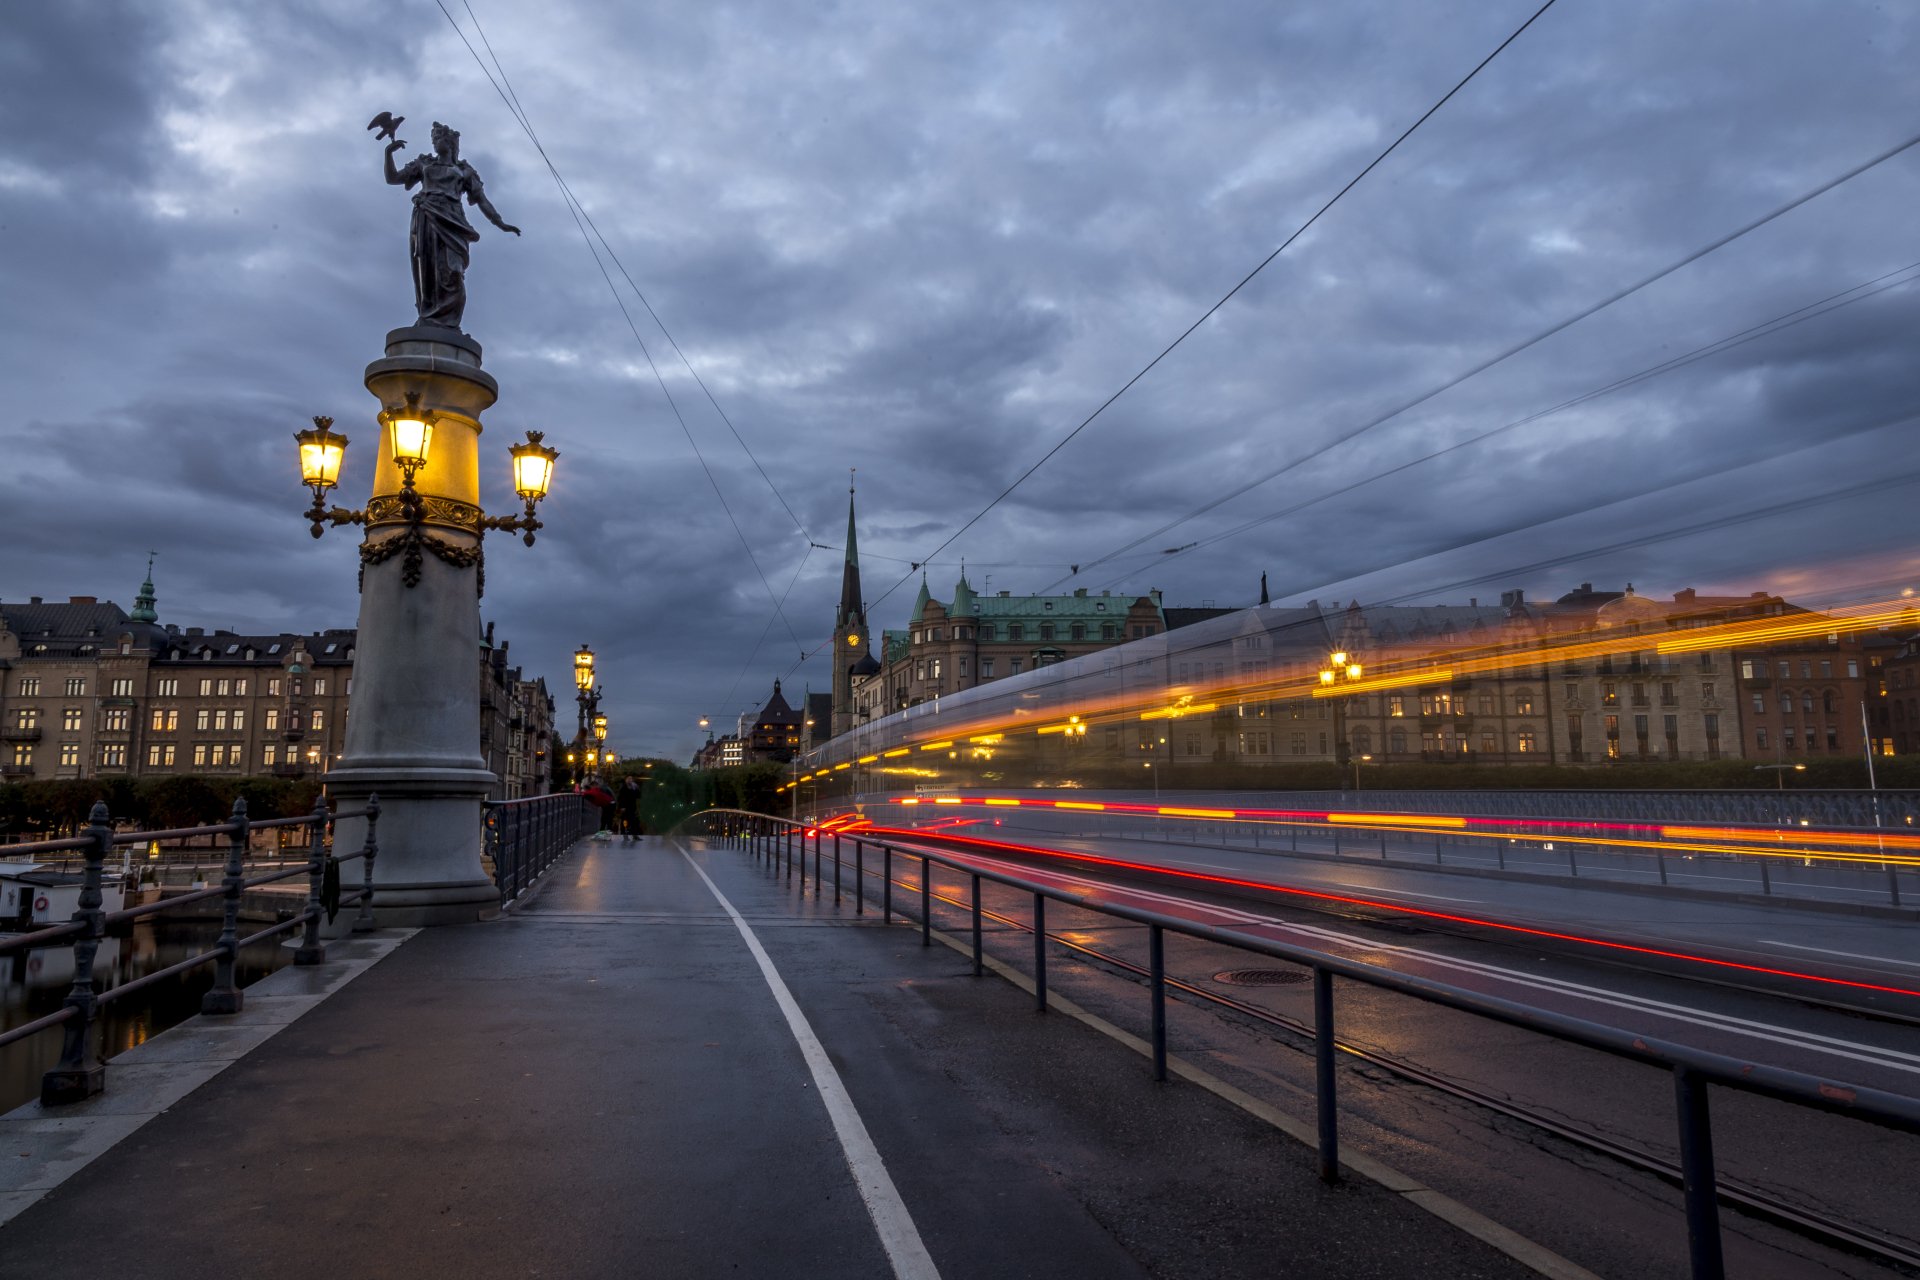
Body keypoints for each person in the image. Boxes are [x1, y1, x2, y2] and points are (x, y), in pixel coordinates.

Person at [383, 121, 519, 331]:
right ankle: (428, 317)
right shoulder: (424, 163)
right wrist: (388, 154)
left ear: (451, 143)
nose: (435, 142)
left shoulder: (464, 171)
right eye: (434, 138)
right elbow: (393, 179)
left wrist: (500, 223)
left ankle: (449, 323)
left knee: (453, 271)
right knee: (428, 269)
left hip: (453, 221)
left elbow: (482, 200)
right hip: (427, 215)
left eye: (439, 138)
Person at [616, 776, 643, 844]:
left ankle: (635, 835)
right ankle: (625, 835)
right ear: (625, 780)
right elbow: (620, 798)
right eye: (628, 779)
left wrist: (637, 788)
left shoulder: (634, 787)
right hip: (625, 808)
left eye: (631, 779)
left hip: (632, 807)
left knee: (634, 821)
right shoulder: (623, 788)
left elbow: (638, 796)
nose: (630, 780)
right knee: (625, 821)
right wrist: (621, 807)